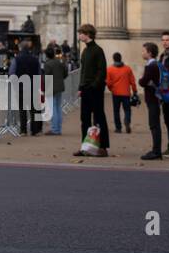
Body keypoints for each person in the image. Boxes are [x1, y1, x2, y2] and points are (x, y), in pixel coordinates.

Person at [72, 24, 110, 158]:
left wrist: (94, 85)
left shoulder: (97, 50)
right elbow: (83, 72)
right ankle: (85, 146)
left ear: (88, 34)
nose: (79, 35)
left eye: (81, 33)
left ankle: (103, 147)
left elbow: (102, 71)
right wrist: (80, 88)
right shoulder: (85, 51)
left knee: (99, 117)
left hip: (95, 90)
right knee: (85, 119)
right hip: (86, 89)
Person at [137, 42, 163, 160]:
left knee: (154, 125)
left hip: (152, 98)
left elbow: (142, 82)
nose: (142, 53)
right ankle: (156, 150)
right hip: (156, 97)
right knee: (154, 124)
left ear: (150, 53)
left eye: (144, 51)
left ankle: (156, 151)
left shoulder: (151, 66)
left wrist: (142, 80)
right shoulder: (157, 65)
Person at [12, 40, 42, 136]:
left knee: (22, 109)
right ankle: (34, 130)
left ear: (20, 48)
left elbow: (12, 73)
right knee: (33, 110)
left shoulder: (16, 59)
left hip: (20, 87)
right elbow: (39, 73)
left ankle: (23, 130)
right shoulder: (35, 59)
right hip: (33, 86)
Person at [106, 51, 137, 134]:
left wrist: (111, 89)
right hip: (126, 93)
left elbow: (108, 82)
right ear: (121, 58)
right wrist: (135, 91)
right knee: (127, 110)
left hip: (115, 93)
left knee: (116, 110)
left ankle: (118, 128)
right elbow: (132, 81)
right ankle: (127, 120)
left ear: (113, 59)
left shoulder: (109, 69)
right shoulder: (127, 69)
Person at [43, 45, 67, 135]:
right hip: (59, 86)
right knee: (58, 107)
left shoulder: (47, 64)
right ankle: (58, 128)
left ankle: (55, 129)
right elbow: (65, 72)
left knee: (52, 108)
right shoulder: (60, 62)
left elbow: (46, 77)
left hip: (51, 87)